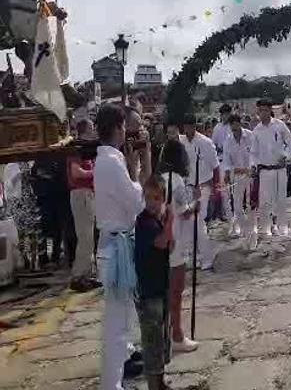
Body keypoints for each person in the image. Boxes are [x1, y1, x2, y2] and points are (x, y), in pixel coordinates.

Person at [94, 103, 152, 390]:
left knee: (120, 318)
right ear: (118, 129)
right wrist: (137, 171)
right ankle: (111, 384)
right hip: (116, 245)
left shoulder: (105, 159)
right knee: (117, 323)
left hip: (113, 243)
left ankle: (115, 378)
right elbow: (137, 202)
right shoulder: (113, 162)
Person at [158, 139, 200, 354]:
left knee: (164, 292)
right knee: (175, 292)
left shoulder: (158, 179)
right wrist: (196, 203)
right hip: (175, 241)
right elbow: (184, 211)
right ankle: (177, 334)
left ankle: (165, 334)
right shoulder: (177, 182)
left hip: (160, 242)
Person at [134, 175, 174, 390]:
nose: (151, 202)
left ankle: (160, 379)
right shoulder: (144, 222)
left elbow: (171, 246)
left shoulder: (158, 219)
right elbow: (161, 243)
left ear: (163, 199)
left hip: (161, 284)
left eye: (156, 198)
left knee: (161, 337)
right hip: (149, 290)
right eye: (147, 197)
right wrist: (170, 221)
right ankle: (153, 383)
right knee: (151, 339)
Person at [251, 99, 291, 237]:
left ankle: (282, 227)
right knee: (265, 201)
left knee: (280, 199)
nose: (262, 113)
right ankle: (266, 228)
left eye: (265, 110)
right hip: (264, 169)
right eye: (260, 110)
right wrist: (253, 165)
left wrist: (287, 155)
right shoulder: (257, 130)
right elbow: (253, 152)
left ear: (270, 110)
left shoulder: (279, 125)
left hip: (280, 168)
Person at [68, 119, 101, 292]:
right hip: (81, 194)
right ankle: (79, 275)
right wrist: (95, 172)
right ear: (84, 131)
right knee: (85, 236)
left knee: (89, 236)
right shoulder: (76, 148)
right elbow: (76, 172)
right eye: (91, 129)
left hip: (87, 194)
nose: (94, 131)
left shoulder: (87, 149)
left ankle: (87, 274)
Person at [180, 117, 217, 270]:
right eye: (186, 125)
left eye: (191, 125)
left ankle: (207, 257)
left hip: (203, 186)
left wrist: (214, 186)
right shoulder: (181, 142)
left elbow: (215, 166)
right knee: (189, 223)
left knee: (198, 221)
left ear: (195, 126)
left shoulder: (205, 143)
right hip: (187, 187)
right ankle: (195, 256)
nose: (188, 129)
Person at [222, 114, 255, 249]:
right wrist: (227, 173)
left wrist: (252, 167)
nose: (234, 128)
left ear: (240, 124)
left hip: (250, 174)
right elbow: (227, 160)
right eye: (232, 126)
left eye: (236, 124)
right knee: (237, 205)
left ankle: (252, 232)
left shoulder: (250, 136)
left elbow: (255, 154)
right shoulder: (228, 140)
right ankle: (244, 229)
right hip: (237, 175)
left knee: (250, 204)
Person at [212, 104, 234, 227]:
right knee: (224, 189)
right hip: (222, 160)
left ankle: (237, 210)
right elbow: (213, 144)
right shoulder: (217, 128)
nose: (225, 116)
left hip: (234, 161)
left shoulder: (233, 126)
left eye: (227, 113)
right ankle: (226, 213)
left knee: (236, 188)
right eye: (223, 114)